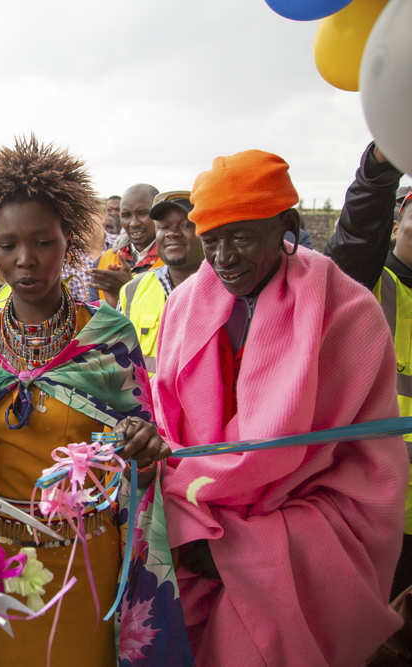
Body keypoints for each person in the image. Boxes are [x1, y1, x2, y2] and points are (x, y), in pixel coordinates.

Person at [154, 149, 408, 665]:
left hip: (294, 541)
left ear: (287, 225)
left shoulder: (347, 312)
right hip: (192, 527)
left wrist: (238, 550)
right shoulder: (183, 305)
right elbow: (168, 425)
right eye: (212, 240)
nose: (223, 258)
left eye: (241, 236)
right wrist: (192, 523)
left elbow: (363, 478)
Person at [0, 136, 170, 666]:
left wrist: (145, 453)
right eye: (8, 245)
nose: (26, 260)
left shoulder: (108, 338)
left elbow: (145, 469)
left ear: (70, 241)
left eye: (43, 241)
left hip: (84, 562)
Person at [323, 141, 412, 599]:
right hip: (380, 511)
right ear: (396, 221)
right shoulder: (368, 283)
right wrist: (379, 170)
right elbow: (356, 240)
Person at [117, 191, 204, 376]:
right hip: (146, 404)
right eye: (164, 227)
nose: (173, 233)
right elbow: (116, 364)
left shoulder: (228, 289)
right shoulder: (132, 290)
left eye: (186, 225)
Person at [89, 183, 163, 306]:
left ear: (158, 214)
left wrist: (128, 288)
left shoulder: (173, 262)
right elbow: (94, 319)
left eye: (142, 213)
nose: (134, 223)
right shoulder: (104, 261)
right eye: (126, 215)